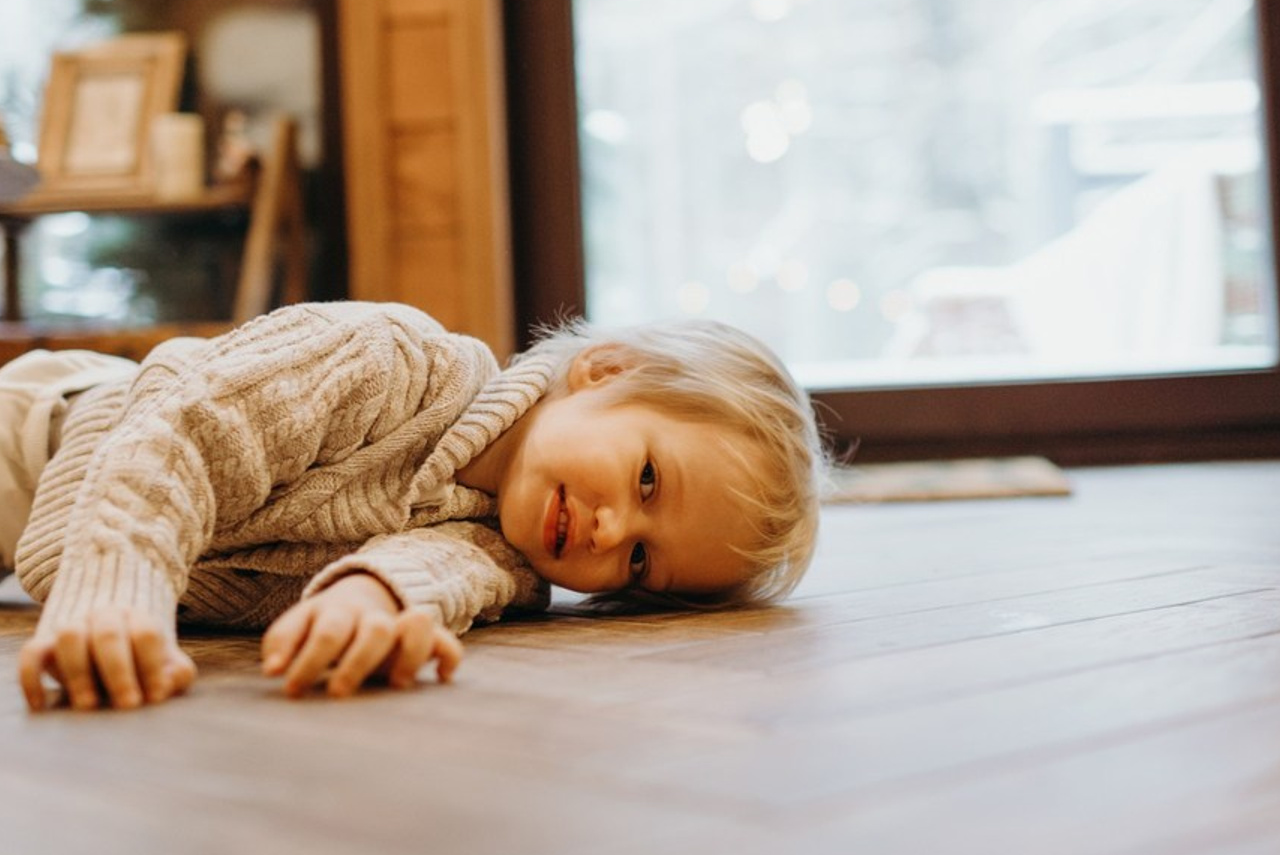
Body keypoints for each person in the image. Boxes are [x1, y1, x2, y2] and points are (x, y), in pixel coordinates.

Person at [1, 300, 825, 713]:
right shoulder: (392, 362)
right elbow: (185, 437)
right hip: (43, 435)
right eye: (649, 480)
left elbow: (439, 569)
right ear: (603, 373)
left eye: (642, 560)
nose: (614, 532)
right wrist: (117, 587)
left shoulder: (508, 555)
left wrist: (372, 598)